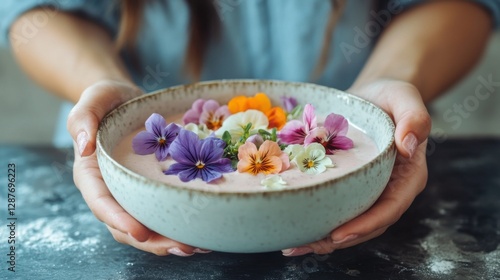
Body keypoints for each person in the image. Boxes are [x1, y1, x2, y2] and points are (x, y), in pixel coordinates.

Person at [1, 0, 498, 257]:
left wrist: (392, 81)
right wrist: (101, 83)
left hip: (360, 190)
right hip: (129, 193)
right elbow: (34, 13)